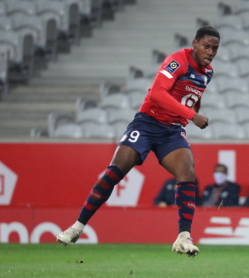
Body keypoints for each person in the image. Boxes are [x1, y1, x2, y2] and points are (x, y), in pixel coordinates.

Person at [56, 26, 221, 257]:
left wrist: (189, 114)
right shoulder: (177, 61)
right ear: (194, 44)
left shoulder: (208, 72)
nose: (210, 52)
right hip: (147, 124)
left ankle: (184, 237)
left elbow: (191, 96)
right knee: (115, 172)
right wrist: (191, 115)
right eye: (206, 46)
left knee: (188, 172)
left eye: (214, 48)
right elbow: (157, 93)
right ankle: (77, 227)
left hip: (172, 131)